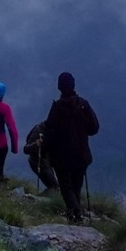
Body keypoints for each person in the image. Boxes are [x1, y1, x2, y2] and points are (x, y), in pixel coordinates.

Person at [45, 71, 100, 223]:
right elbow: (94, 128)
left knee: (66, 187)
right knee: (76, 186)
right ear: (73, 85)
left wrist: (46, 150)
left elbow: (49, 131)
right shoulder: (83, 104)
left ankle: (75, 215)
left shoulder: (56, 108)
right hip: (81, 154)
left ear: (59, 87)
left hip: (61, 157)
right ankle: (75, 215)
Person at [24, 120, 58, 190]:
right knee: (54, 187)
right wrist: (36, 144)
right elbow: (26, 149)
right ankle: (42, 199)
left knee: (57, 187)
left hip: (49, 162)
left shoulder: (57, 129)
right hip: (38, 162)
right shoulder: (39, 129)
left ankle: (46, 198)